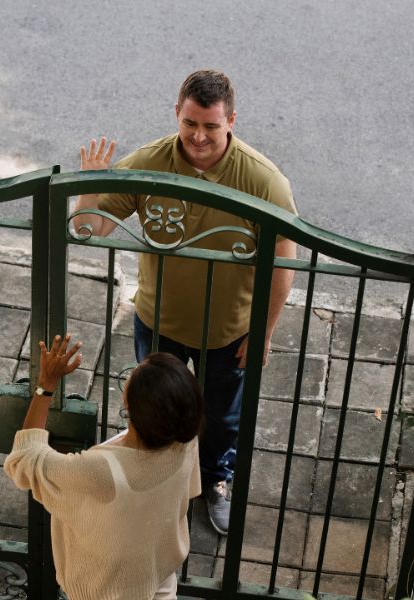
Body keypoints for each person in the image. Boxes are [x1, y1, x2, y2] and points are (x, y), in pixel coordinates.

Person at [71, 69, 298, 534]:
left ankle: (215, 480)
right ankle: (154, 484)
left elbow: (283, 262)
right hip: (158, 323)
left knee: (221, 418)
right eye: (190, 122)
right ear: (177, 113)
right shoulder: (149, 163)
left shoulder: (262, 180)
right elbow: (88, 230)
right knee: (153, 414)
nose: (199, 136)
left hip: (227, 331)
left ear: (231, 120)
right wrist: (90, 186)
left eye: (211, 126)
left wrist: (264, 331)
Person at [4, 334, 203, 600]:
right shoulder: (184, 438)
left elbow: (23, 459)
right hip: (158, 578)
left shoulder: (103, 470)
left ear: (128, 404)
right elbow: (187, 491)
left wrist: (46, 384)